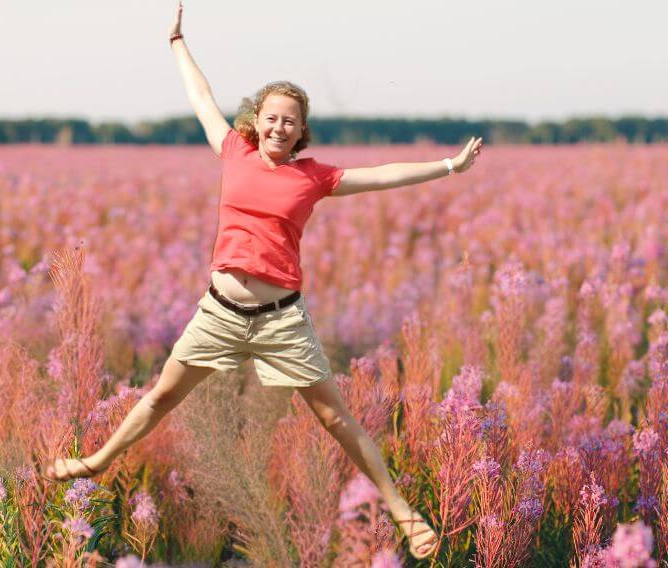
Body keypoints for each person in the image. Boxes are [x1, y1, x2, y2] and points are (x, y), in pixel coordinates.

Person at [45, 1, 483, 560]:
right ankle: (97, 461)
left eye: (291, 120)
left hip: (282, 321)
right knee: (160, 398)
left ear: (302, 130)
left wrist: (448, 166)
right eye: (272, 117)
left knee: (335, 418)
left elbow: (381, 176)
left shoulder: (315, 176)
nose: (280, 126)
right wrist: (177, 43)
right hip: (220, 315)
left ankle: (403, 511)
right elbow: (201, 99)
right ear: (257, 119)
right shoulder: (234, 150)